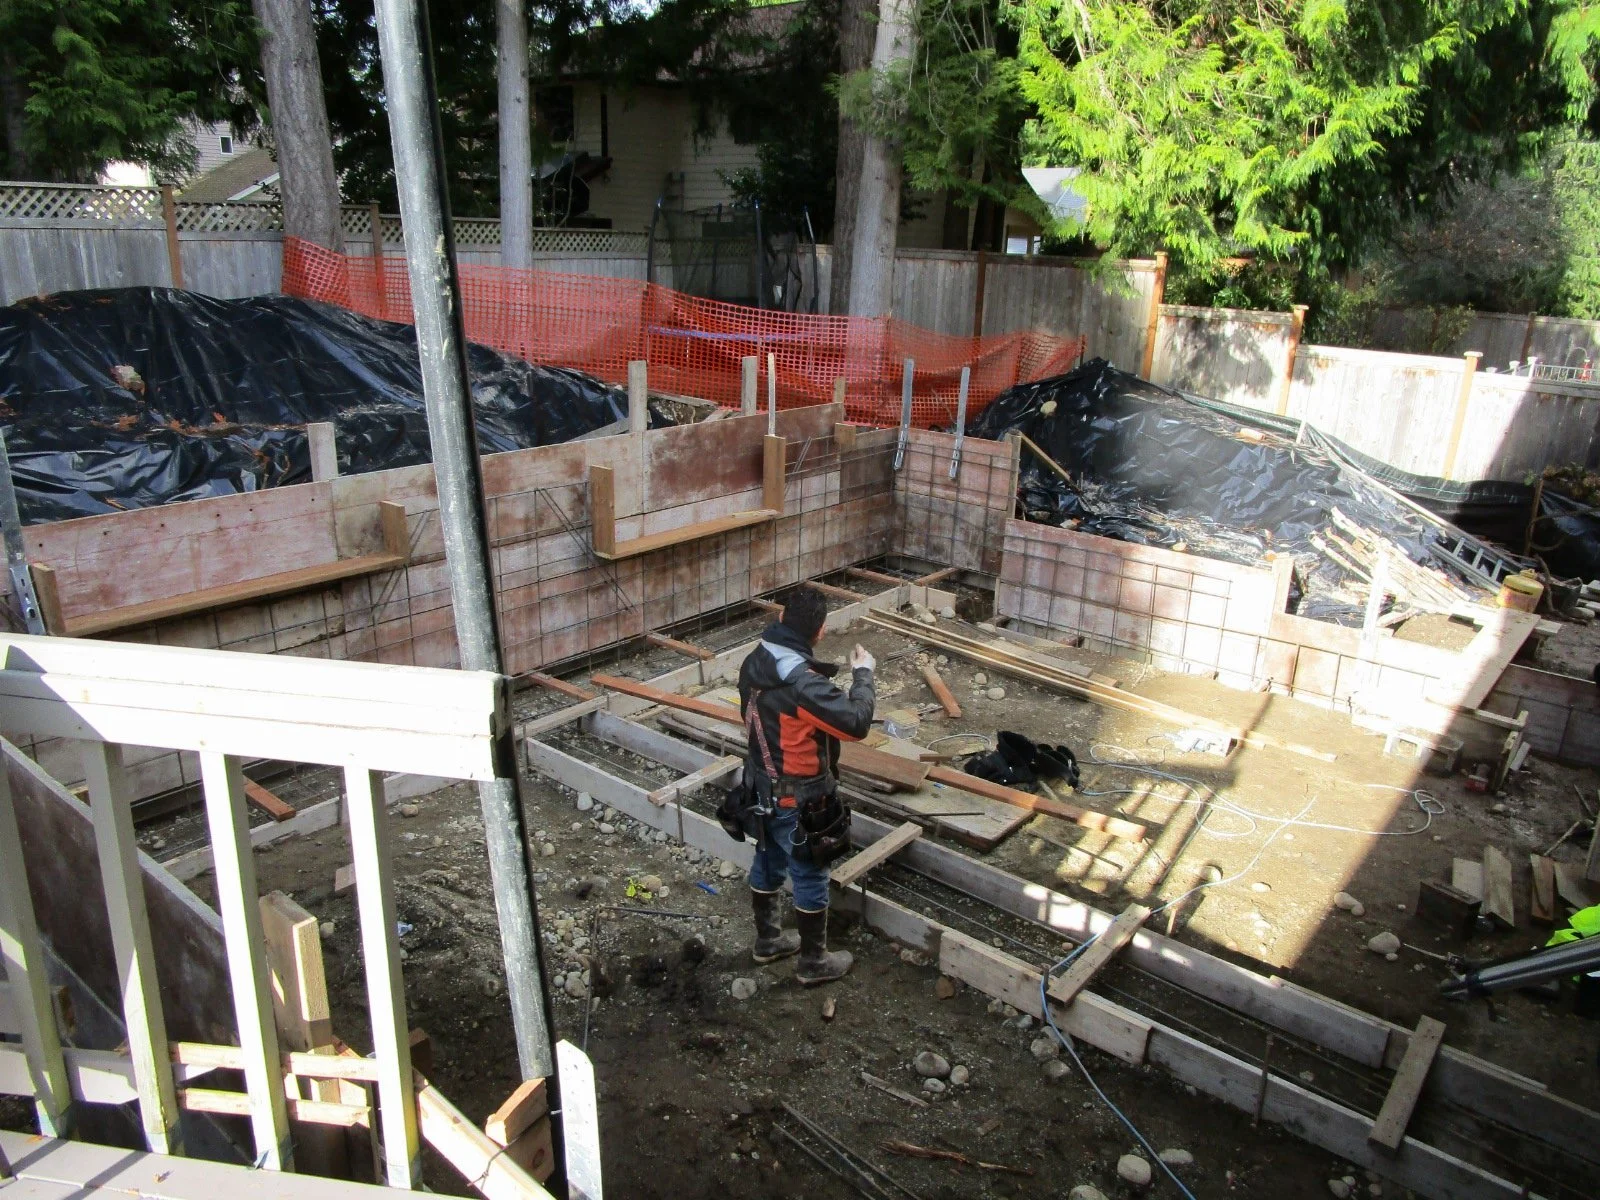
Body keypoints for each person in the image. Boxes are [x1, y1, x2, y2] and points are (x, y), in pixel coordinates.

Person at [736, 585, 875, 984]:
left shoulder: (755, 660)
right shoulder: (802, 684)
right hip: (799, 797)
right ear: (821, 631)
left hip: (761, 786)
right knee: (810, 872)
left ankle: (768, 941)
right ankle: (814, 963)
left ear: (781, 618)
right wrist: (863, 675)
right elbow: (855, 723)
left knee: (767, 857)